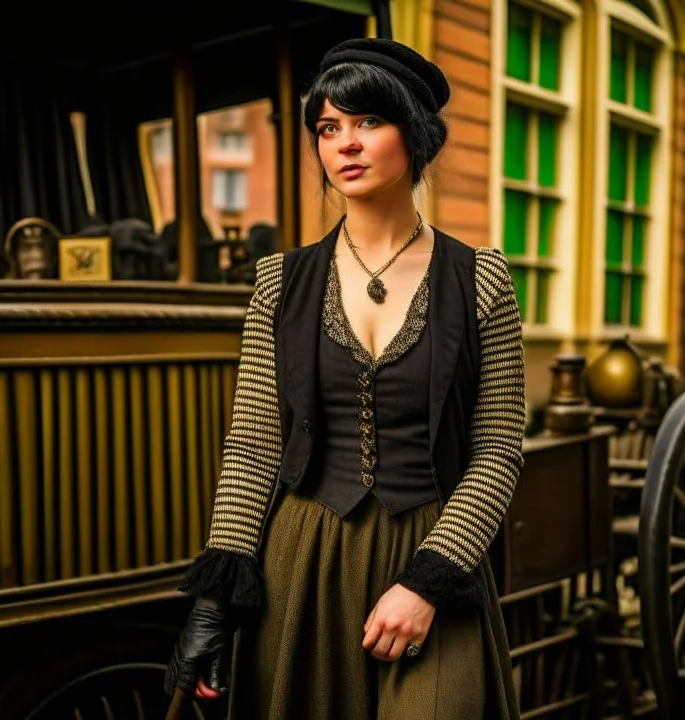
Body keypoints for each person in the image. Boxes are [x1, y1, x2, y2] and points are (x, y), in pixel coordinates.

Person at [164, 38, 526, 719]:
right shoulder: (280, 282)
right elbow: (252, 448)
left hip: (432, 548)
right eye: (328, 127)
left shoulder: (481, 279)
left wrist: (428, 581)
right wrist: (215, 601)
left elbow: (498, 450)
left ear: (413, 132)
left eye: (367, 122)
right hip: (303, 564)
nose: (344, 144)